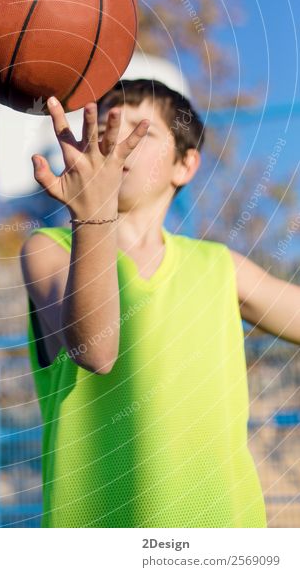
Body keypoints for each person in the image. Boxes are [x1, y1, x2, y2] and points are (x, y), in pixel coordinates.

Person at [20, 78, 300, 528]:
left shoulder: (219, 266)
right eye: (109, 124)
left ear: (184, 165)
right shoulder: (49, 249)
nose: (116, 139)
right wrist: (93, 215)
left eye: (141, 130)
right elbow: (97, 350)